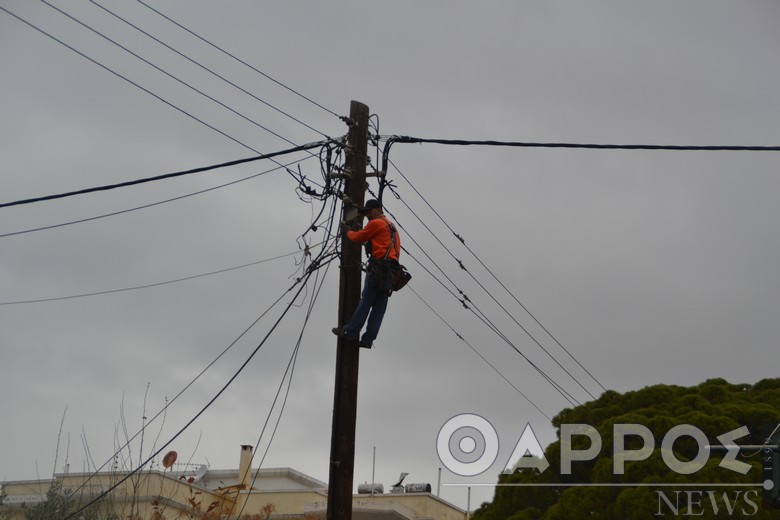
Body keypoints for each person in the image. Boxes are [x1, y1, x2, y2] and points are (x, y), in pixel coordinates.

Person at [332, 199, 401, 349]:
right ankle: (368, 340)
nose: (368, 215)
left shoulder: (376, 223)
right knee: (379, 308)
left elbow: (358, 237)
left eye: (370, 211)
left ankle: (350, 331)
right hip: (392, 271)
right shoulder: (392, 226)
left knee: (366, 301)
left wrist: (346, 231)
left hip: (379, 268)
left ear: (378, 209)